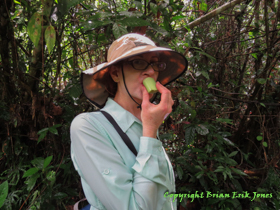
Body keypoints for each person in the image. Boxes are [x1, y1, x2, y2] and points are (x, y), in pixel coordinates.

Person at [70, 33, 188, 210]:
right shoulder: (87, 126)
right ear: (116, 73)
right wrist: (149, 133)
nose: (150, 71)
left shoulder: (148, 121)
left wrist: (150, 128)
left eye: (155, 64)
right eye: (138, 62)